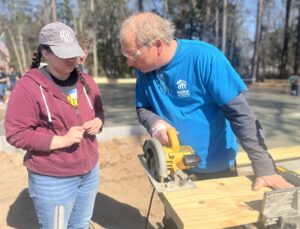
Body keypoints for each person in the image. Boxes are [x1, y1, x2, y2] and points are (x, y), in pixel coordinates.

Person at [119, 12, 294, 228]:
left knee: (220, 221)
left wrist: (265, 167)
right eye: (125, 54)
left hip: (217, 171)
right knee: (175, 221)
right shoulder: (144, 70)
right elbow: (142, 107)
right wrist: (154, 123)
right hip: (174, 172)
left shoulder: (205, 58)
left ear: (157, 45)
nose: (129, 62)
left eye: (133, 54)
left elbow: (242, 116)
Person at [4, 22, 104, 229]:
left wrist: (98, 122)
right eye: (63, 53)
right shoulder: (28, 86)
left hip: (90, 173)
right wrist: (61, 140)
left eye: (73, 52)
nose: (71, 58)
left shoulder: (87, 81)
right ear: (45, 53)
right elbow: (16, 134)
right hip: (54, 180)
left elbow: (99, 112)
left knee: (81, 224)